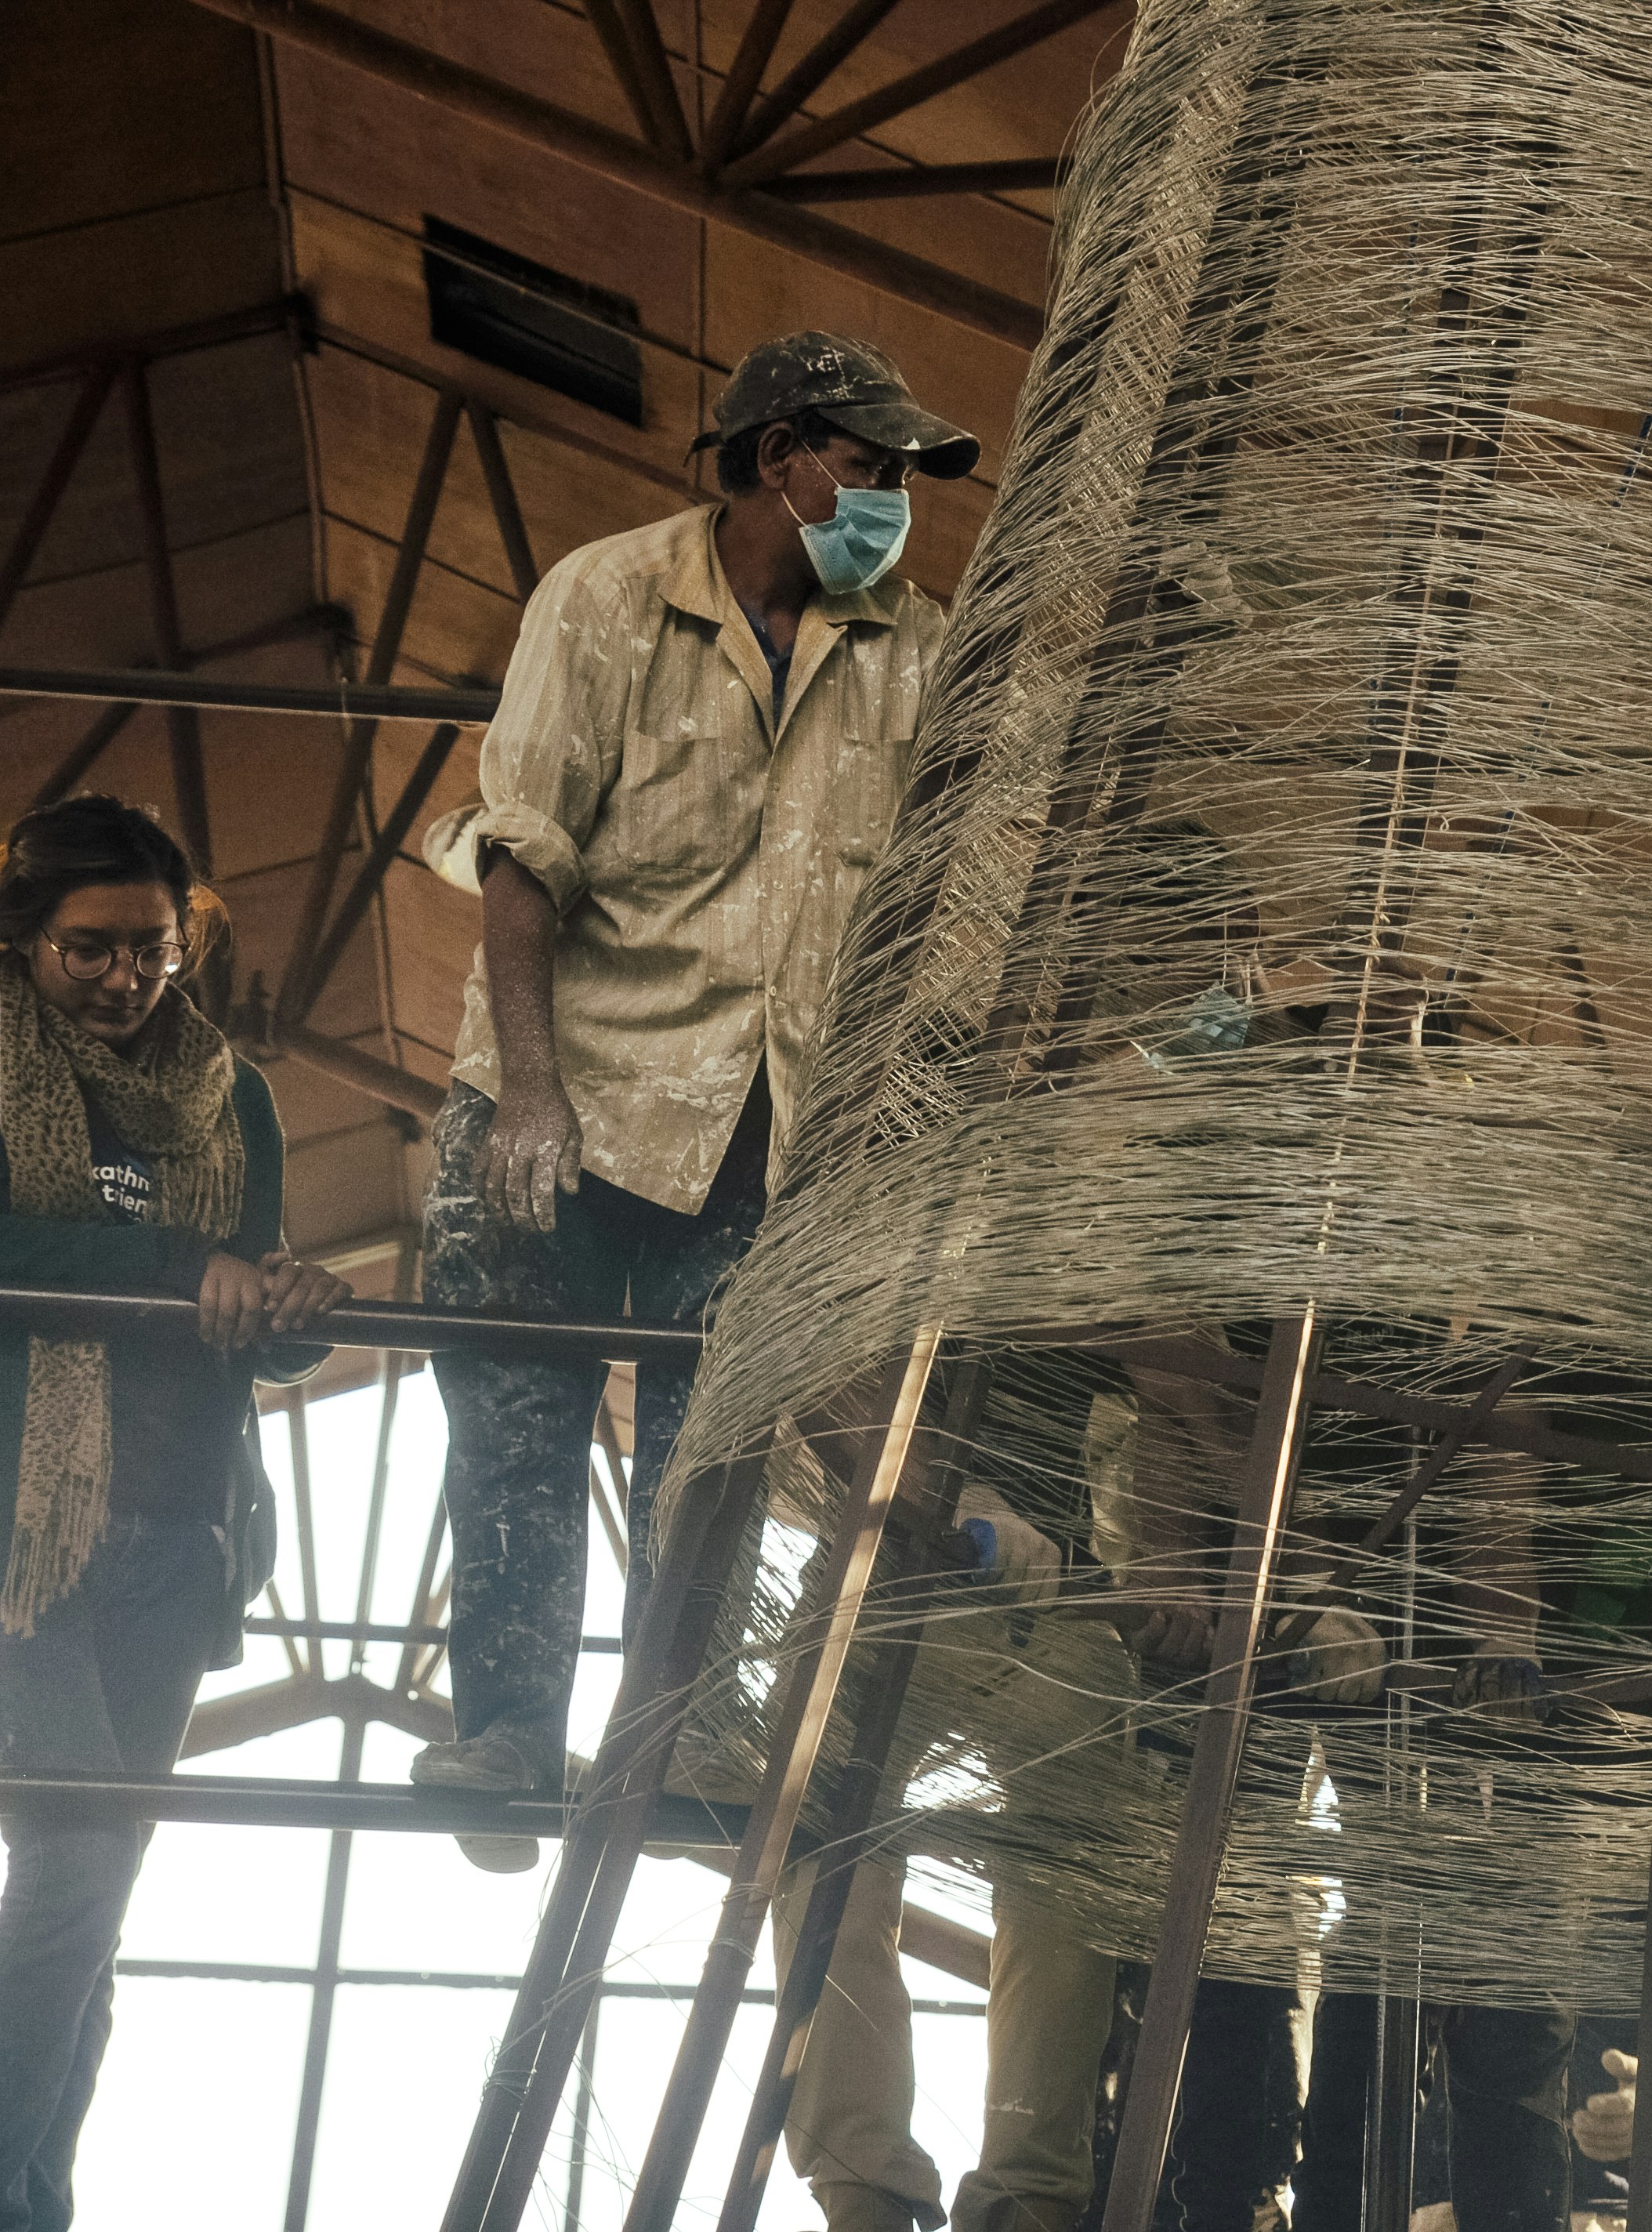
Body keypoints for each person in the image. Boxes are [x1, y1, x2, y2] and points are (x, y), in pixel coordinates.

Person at [411, 332, 978, 2232]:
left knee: (712, 1457)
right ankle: (505, 1723)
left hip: (763, 1126)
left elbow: (948, 878)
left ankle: (662, 1736)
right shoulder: (606, 600)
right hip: (567, 1102)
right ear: (781, 459)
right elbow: (524, 857)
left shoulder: (913, 650)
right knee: (512, 1414)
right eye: (874, 466)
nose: (897, 504)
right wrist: (533, 1096)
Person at [0, 797, 348, 2232]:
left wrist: (290, 1310)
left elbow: (244, 1307)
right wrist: (179, 1260)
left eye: (152, 950)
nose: (127, 978)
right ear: (23, 940)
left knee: (97, 1897)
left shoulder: (235, 1095)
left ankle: (40, 2196)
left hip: (174, 1539)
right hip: (25, 1543)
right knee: (78, 1859)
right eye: (90, 949)